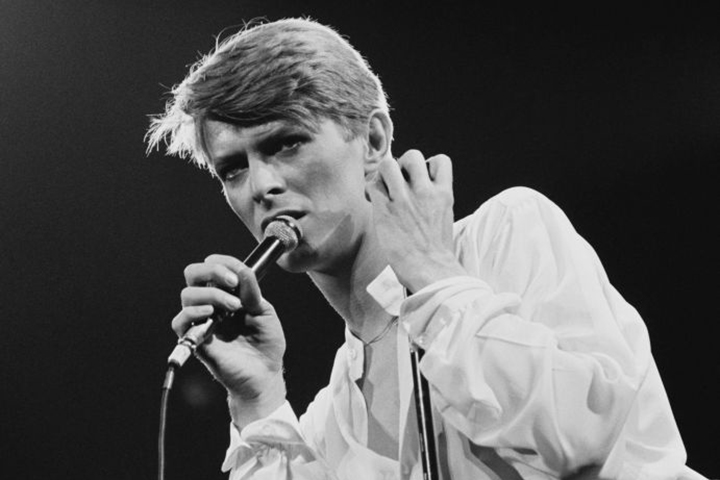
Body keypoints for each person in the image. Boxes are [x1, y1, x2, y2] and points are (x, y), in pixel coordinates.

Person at [146, 18, 707, 480]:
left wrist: (435, 280)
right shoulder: (333, 419)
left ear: (373, 141)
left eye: (286, 143)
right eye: (233, 169)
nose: (261, 186)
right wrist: (259, 399)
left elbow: (582, 438)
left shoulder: (502, 237)